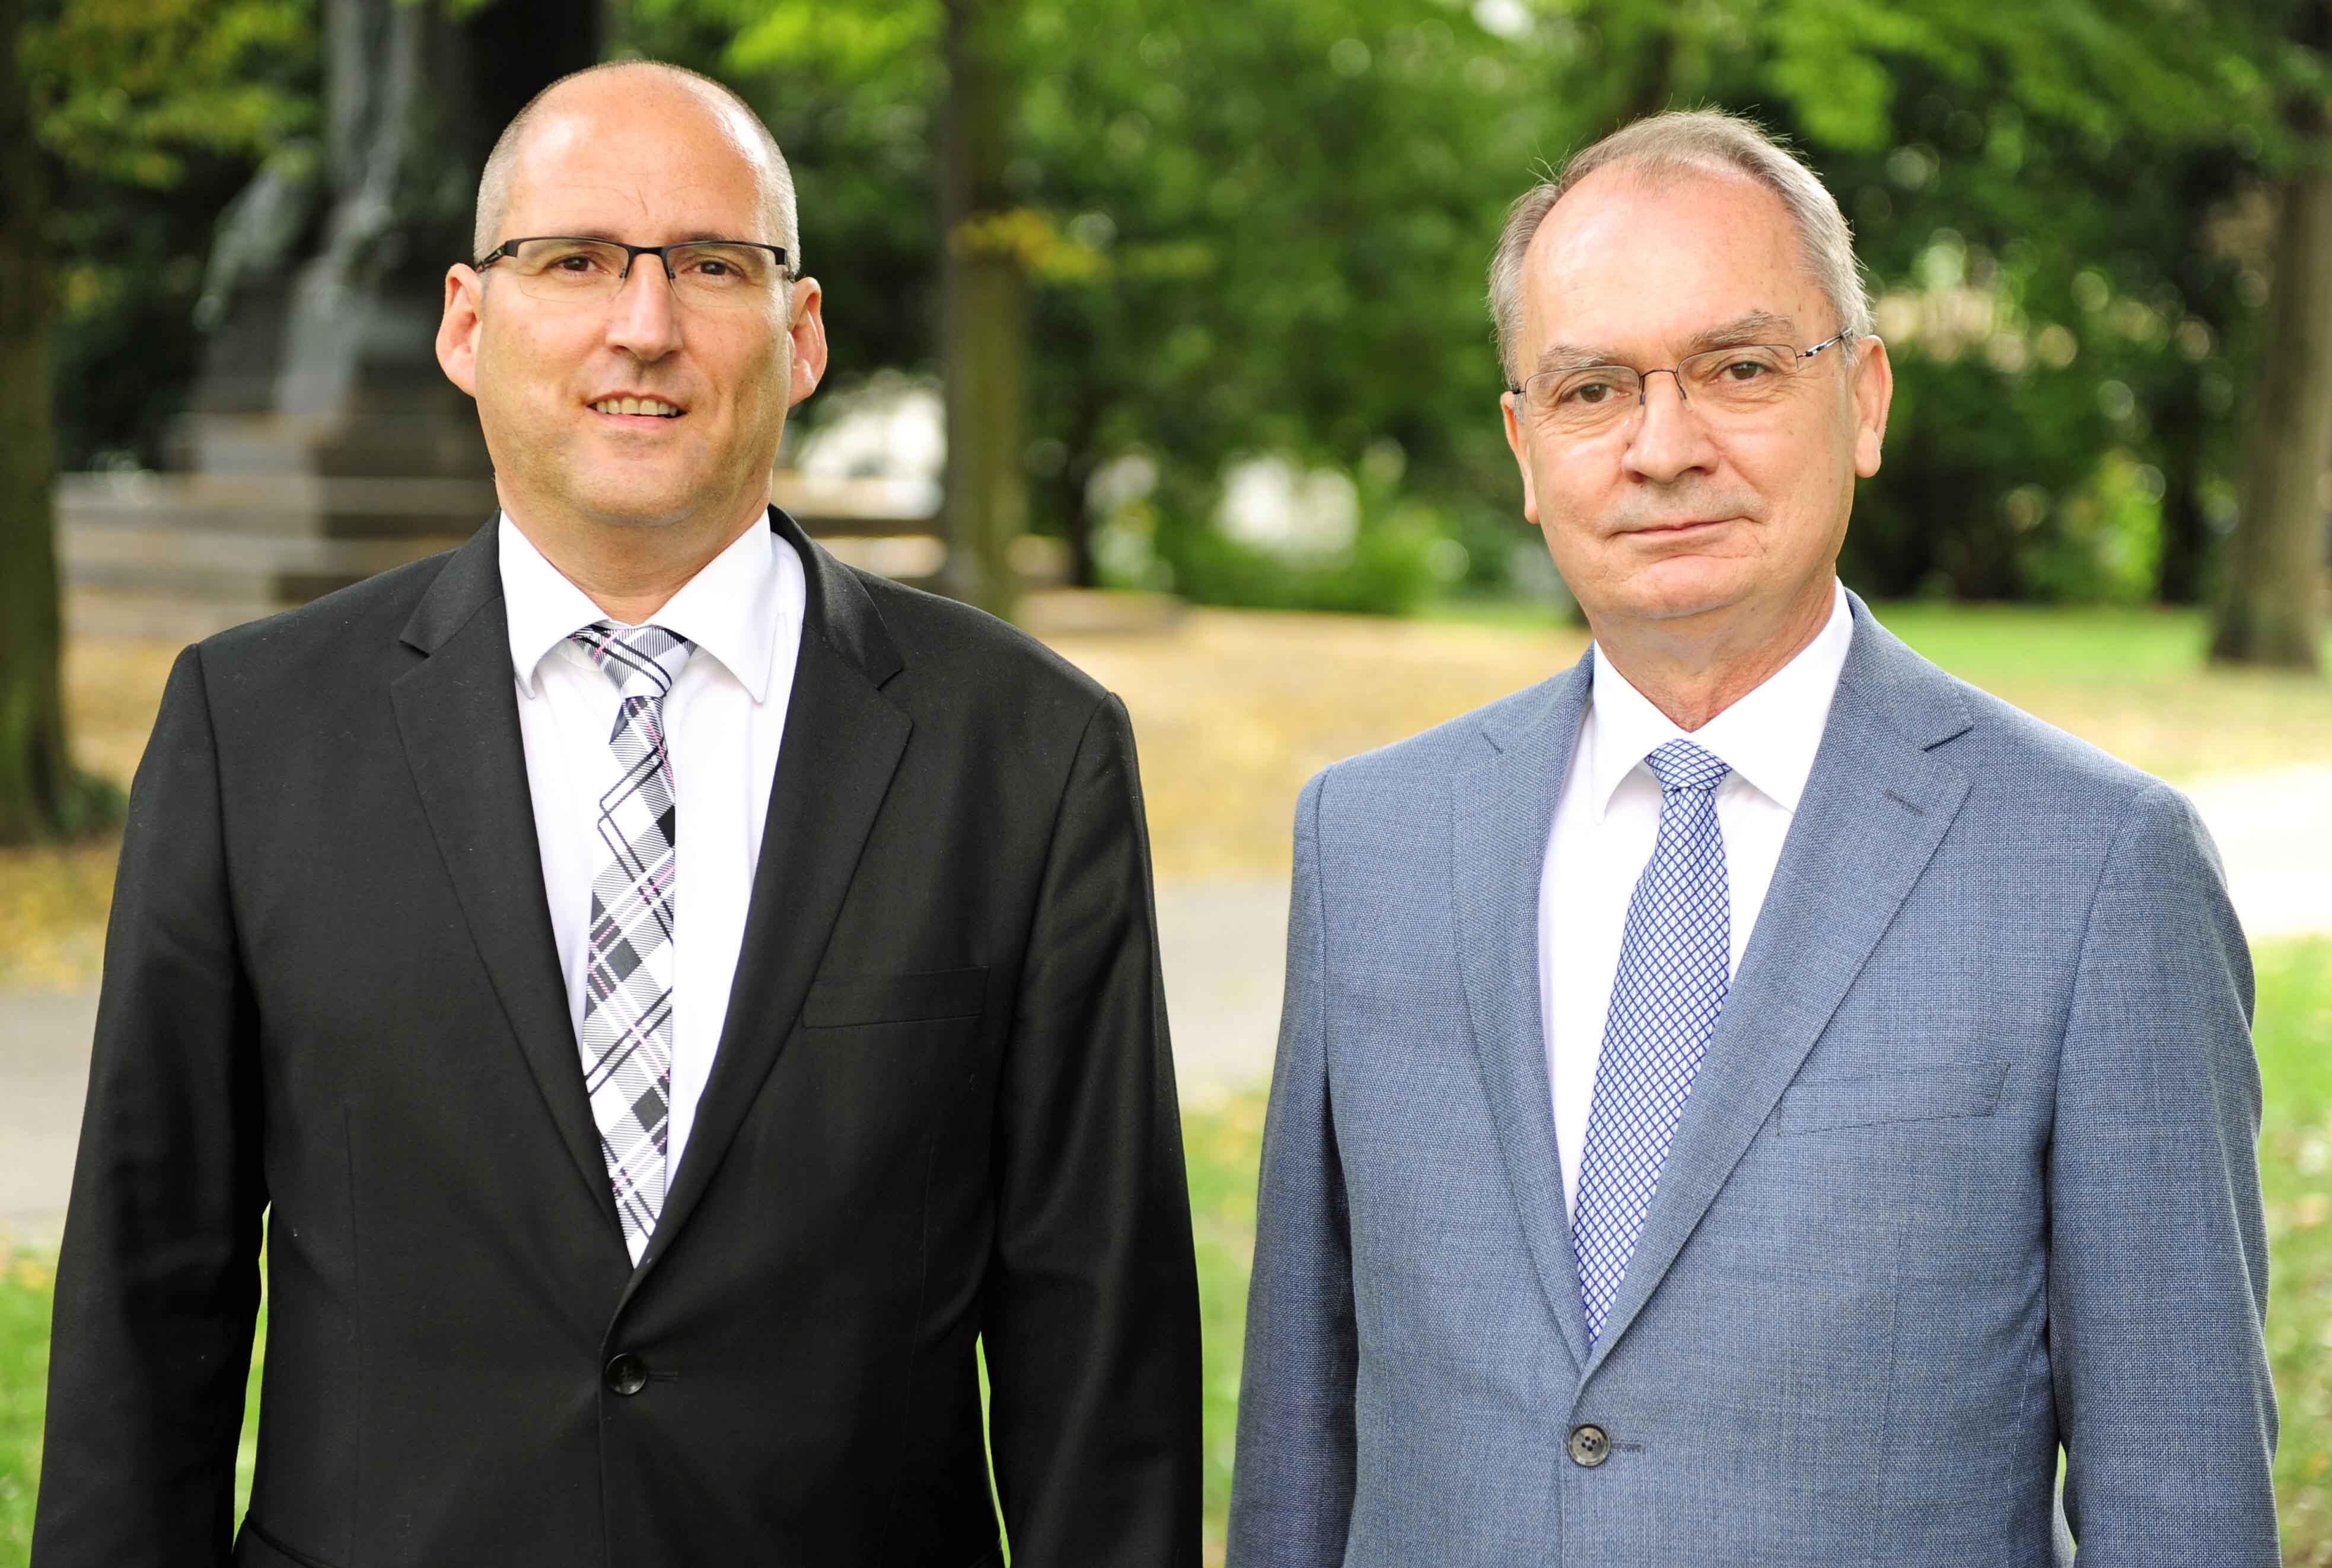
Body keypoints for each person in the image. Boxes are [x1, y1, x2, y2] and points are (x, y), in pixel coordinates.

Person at [35, 60, 1200, 1568]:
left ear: (804, 333)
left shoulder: (1030, 752)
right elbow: (150, 1292)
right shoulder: (250, 729)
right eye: (573, 259)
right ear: (468, 320)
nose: (642, 324)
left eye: (713, 265)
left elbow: (1097, 1343)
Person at [1228, 109, 2277, 1566]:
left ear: (1861, 398)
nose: (1663, 447)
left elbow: (2178, 1487)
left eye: (1734, 368)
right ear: (1528, 448)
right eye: (1593, 388)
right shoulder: (1372, 840)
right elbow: (1297, 1438)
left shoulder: (2100, 868)